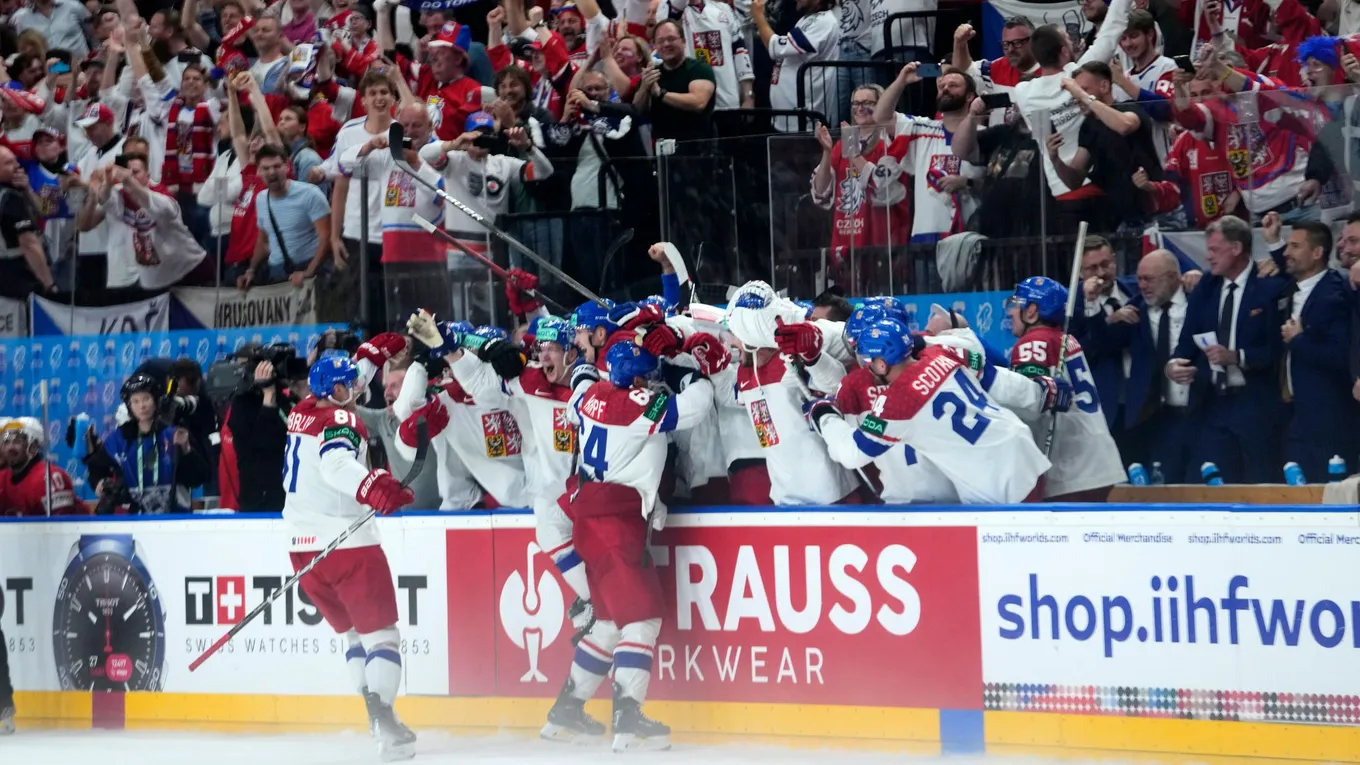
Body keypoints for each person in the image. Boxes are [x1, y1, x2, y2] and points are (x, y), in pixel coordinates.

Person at [560, 337, 715, 752]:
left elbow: (578, 384)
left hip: (592, 517)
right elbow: (695, 406)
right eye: (646, 374)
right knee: (642, 621)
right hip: (615, 524)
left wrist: (588, 366)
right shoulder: (635, 405)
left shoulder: (590, 394)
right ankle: (627, 715)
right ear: (638, 379)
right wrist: (684, 373)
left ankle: (566, 710)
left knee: (610, 623)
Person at [281, 353, 417, 761]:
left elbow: (340, 389)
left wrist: (370, 357)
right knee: (383, 637)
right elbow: (337, 463)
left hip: (303, 551)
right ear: (337, 391)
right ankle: (387, 727)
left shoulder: (301, 412)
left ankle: (375, 718)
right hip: (347, 545)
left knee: (354, 636)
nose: (360, 386)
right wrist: (373, 485)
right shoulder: (343, 421)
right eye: (352, 383)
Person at [813, 317, 1057, 503]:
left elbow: (853, 453)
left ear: (881, 362)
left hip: (996, 478)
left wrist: (824, 415)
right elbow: (995, 377)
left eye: (868, 363)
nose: (866, 370)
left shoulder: (897, 403)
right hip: (1020, 444)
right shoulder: (942, 352)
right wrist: (1040, 394)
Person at [1166, 215, 1290, 483]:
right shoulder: (1206, 288)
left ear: (1236, 248)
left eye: (1214, 250)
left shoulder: (1268, 286)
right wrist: (1174, 365)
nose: (1208, 257)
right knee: (1210, 488)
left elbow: (1277, 350)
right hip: (1212, 404)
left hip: (1256, 404)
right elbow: (1187, 340)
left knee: (1260, 486)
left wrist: (1237, 357)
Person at [723, 280, 859, 505]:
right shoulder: (745, 372)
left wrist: (814, 356)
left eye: (734, 332)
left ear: (752, 334)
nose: (730, 340)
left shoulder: (791, 356)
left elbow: (838, 386)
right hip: (784, 500)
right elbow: (733, 397)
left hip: (832, 495)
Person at [1007, 276, 1126, 500]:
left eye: (1017, 304)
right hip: (1098, 460)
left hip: (1071, 468)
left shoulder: (1034, 341)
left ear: (1032, 310)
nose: (1011, 312)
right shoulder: (1065, 339)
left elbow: (1025, 404)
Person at [1082, 249, 1194, 481]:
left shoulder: (1199, 301)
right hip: (1150, 416)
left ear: (1173, 277)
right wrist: (1099, 313)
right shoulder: (1135, 310)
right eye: (1139, 278)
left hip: (1199, 411)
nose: (1141, 285)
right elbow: (1102, 345)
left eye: (1148, 279)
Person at [1264, 217, 1358, 481]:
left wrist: (1298, 341)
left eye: (1294, 246)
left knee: (1329, 498)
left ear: (1317, 253)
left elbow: (1341, 357)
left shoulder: (1336, 293)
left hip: (1329, 419)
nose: (1286, 253)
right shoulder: (1289, 289)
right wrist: (1274, 241)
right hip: (1294, 415)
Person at [339, 102, 447, 321]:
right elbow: (344, 164)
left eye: (416, 125)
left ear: (430, 126)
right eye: (404, 125)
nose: (409, 131)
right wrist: (369, 146)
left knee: (430, 322)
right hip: (394, 254)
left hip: (428, 256)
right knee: (399, 320)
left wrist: (416, 162)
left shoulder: (438, 152)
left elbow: (441, 195)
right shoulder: (389, 153)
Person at [78, 153, 210, 293]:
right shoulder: (121, 194)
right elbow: (105, 199)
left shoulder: (163, 195)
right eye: (128, 173)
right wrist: (107, 183)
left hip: (189, 270)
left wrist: (129, 182)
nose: (131, 176)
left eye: (136, 172)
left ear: (148, 174)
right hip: (156, 280)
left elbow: (152, 204)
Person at [93, 373, 211, 515]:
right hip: (137, 520)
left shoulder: (174, 432)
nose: (142, 406)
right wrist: (99, 483)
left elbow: (200, 476)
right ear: (129, 406)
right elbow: (96, 466)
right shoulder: (120, 438)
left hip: (177, 518)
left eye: (146, 399)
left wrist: (186, 449)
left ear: (155, 401)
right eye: (135, 401)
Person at [243, 144, 332, 289]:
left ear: (287, 167)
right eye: (266, 168)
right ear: (258, 171)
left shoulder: (310, 194)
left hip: (310, 269)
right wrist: (251, 270)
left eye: (277, 166)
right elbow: (263, 241)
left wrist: (308, 272)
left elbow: (326, 237)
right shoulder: (260, 199)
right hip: (277, 273)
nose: (272, 172)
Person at [752, 0, 838, 133]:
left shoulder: (824, 21)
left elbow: (777, 47)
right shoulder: (806, 19)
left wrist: (758, 16)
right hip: (788, 119)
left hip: (805, 123)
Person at [633, 19, 716, 141]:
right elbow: (637, 110)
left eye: (671, 39)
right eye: (660, 41)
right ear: (654, 46)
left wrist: (661, 94)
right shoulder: (652, 73)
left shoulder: (699, 69)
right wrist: (644, 87)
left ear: (683, 42)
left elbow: (698, 102)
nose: (666, 44)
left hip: (698, 148)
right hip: (663, 150)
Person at [1, 417, 87, 515]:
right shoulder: (2, 478)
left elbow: (61, 526)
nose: (10, 448)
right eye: (6, 442)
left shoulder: (49, 477)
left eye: (17, 442)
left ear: (34, 446)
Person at [0, 144, 54, 299]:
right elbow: (29, 242)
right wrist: (48, 283)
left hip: (49, 247)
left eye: (49, 142)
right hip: (21, 271)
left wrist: (27, 189)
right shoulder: (11, 191)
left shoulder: (53, 175)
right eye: (40, 142)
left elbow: (49, 211)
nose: (43, 147)